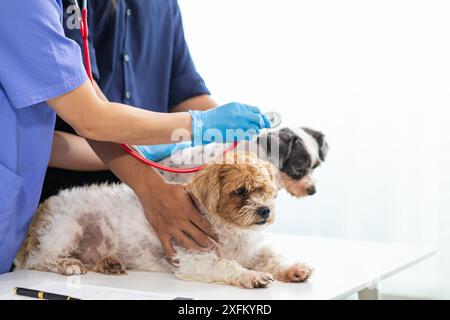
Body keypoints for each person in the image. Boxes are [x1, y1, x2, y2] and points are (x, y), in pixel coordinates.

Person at [0, 0, 269, 274]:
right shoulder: (31, 5)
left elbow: (93, 96)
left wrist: (243, 143)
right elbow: (90, 117)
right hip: (68, 198)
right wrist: (196, 126)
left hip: (121, 194)